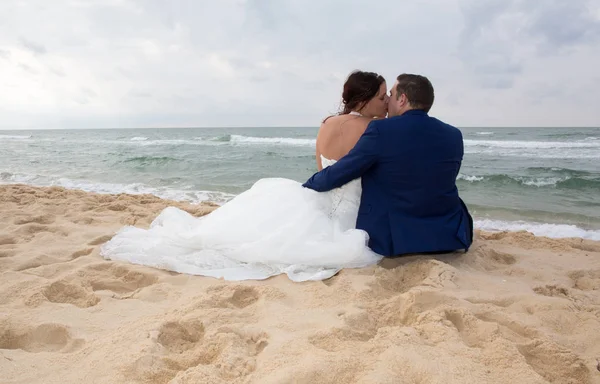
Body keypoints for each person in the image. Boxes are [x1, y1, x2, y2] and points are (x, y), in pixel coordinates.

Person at [100, 70, 386, 282]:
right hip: (343, 210)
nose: (385, 103)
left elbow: (323, 170)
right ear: (364, 99)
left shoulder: (327, 123)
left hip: (319, 194)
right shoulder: (368, 129)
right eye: (381, 97)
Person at [303, 73, 473, 257]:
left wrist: (308, 186)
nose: (387, 100)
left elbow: (342, 172)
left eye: (391, 94)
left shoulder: (381, 130)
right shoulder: (454, 135)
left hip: (396, 239)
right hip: (447, 235)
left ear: (402, 99)